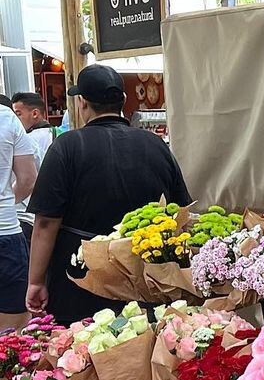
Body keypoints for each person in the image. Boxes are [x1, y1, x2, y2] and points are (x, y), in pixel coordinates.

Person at [27, 64, 191, 325]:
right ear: (123, 100)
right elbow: (181, 211)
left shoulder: (67, 146)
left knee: (82, 345)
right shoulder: (155, 144)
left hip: (80, 277)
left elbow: (46, 222)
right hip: (144, 272)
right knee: (147, 336)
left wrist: (36, 281)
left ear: (82, 103)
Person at [0, 101, 37, 328]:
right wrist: (5, 203)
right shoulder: (6, 117)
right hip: (5, 231)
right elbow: (28, 179)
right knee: (12, 335)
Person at [11, 91, 56, 168]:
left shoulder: (26, 139)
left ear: (35, 114)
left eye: (18, 114)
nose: (14, 119)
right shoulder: (58, 133)